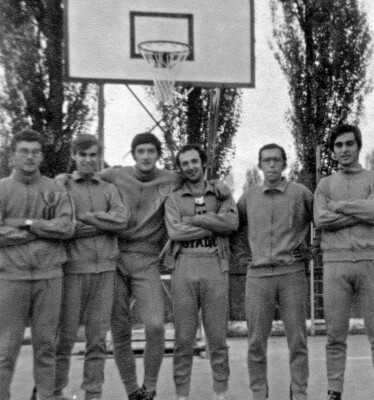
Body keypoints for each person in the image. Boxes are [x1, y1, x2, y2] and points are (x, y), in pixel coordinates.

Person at [99, 133, 229, 400]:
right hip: (115, 258)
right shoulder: (115, 174)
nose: (146, 156)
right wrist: (63, 179)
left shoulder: (171, 178)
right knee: (120, 329)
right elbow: (85, 179)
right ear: (133, 154)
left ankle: (150, 387)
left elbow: (197, 178)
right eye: (140, 151)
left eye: (151, 151)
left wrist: (218, 185)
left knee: (156, 325)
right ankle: (132, 390)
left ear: (158, 155)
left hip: (147, 259)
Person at [314, 124, 374, 400]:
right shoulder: (325, 184)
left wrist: (339, 206)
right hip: (335, 263)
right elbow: (321, 219)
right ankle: (334, 391)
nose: (344, 149)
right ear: (333, 151)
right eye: (338, 145)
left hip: (371, 260)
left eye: (349, 144)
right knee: (335, 334)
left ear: (358, 146)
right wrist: (360, 211)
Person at [0, 128, 74, 400]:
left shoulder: (54, 189)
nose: (29, 157)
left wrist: (27, 224)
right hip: (10, 277)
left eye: (35, 152)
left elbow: (66, 227)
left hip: (49, 275)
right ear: (13, 155)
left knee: (45, 348)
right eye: (24, 151)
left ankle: (46, 397)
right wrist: (43, 232)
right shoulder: (3, 189)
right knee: (5, 350)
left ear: (42, 156)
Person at [53, 134, 129, 400]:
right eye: (83, 155)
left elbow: (121, 221)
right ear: (74, 156)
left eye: (93, 155)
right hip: (72, 270)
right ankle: (54, 390)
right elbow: (64, 228)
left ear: (99, 157)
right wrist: (100, 226)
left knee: (97, 339)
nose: (88, 160)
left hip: (105, 271)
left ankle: (93, 392)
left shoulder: (108, 189)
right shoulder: (62, 186)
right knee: (64, 337)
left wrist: (86, 218)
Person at [235, 143, 313, 400]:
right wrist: (245, 255)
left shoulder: (300, 193)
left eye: (276, 160)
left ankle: (299, 392)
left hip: (291, 273)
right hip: (257, 277)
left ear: (284, 164)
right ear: (259, 165)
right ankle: (259, 392)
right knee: (256, 342)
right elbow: (235, 228)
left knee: (298, 340)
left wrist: (314, 249)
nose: (271, 164)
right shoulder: (248, 197)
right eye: (266, 160)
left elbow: (321, 220)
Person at [164, 144, 239, 400]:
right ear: (180, 168)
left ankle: (221, 392)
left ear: (203, 163)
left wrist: (194, 221)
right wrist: (213, 224)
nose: (190, 167)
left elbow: (231, 223)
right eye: (185, 163)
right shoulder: (174, 198)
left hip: (214, 263)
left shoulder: (220, 193)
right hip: (184, 265)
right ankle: (182, 395)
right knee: (184, 339)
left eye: (194, 161)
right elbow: (175, 232)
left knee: (217, 338)